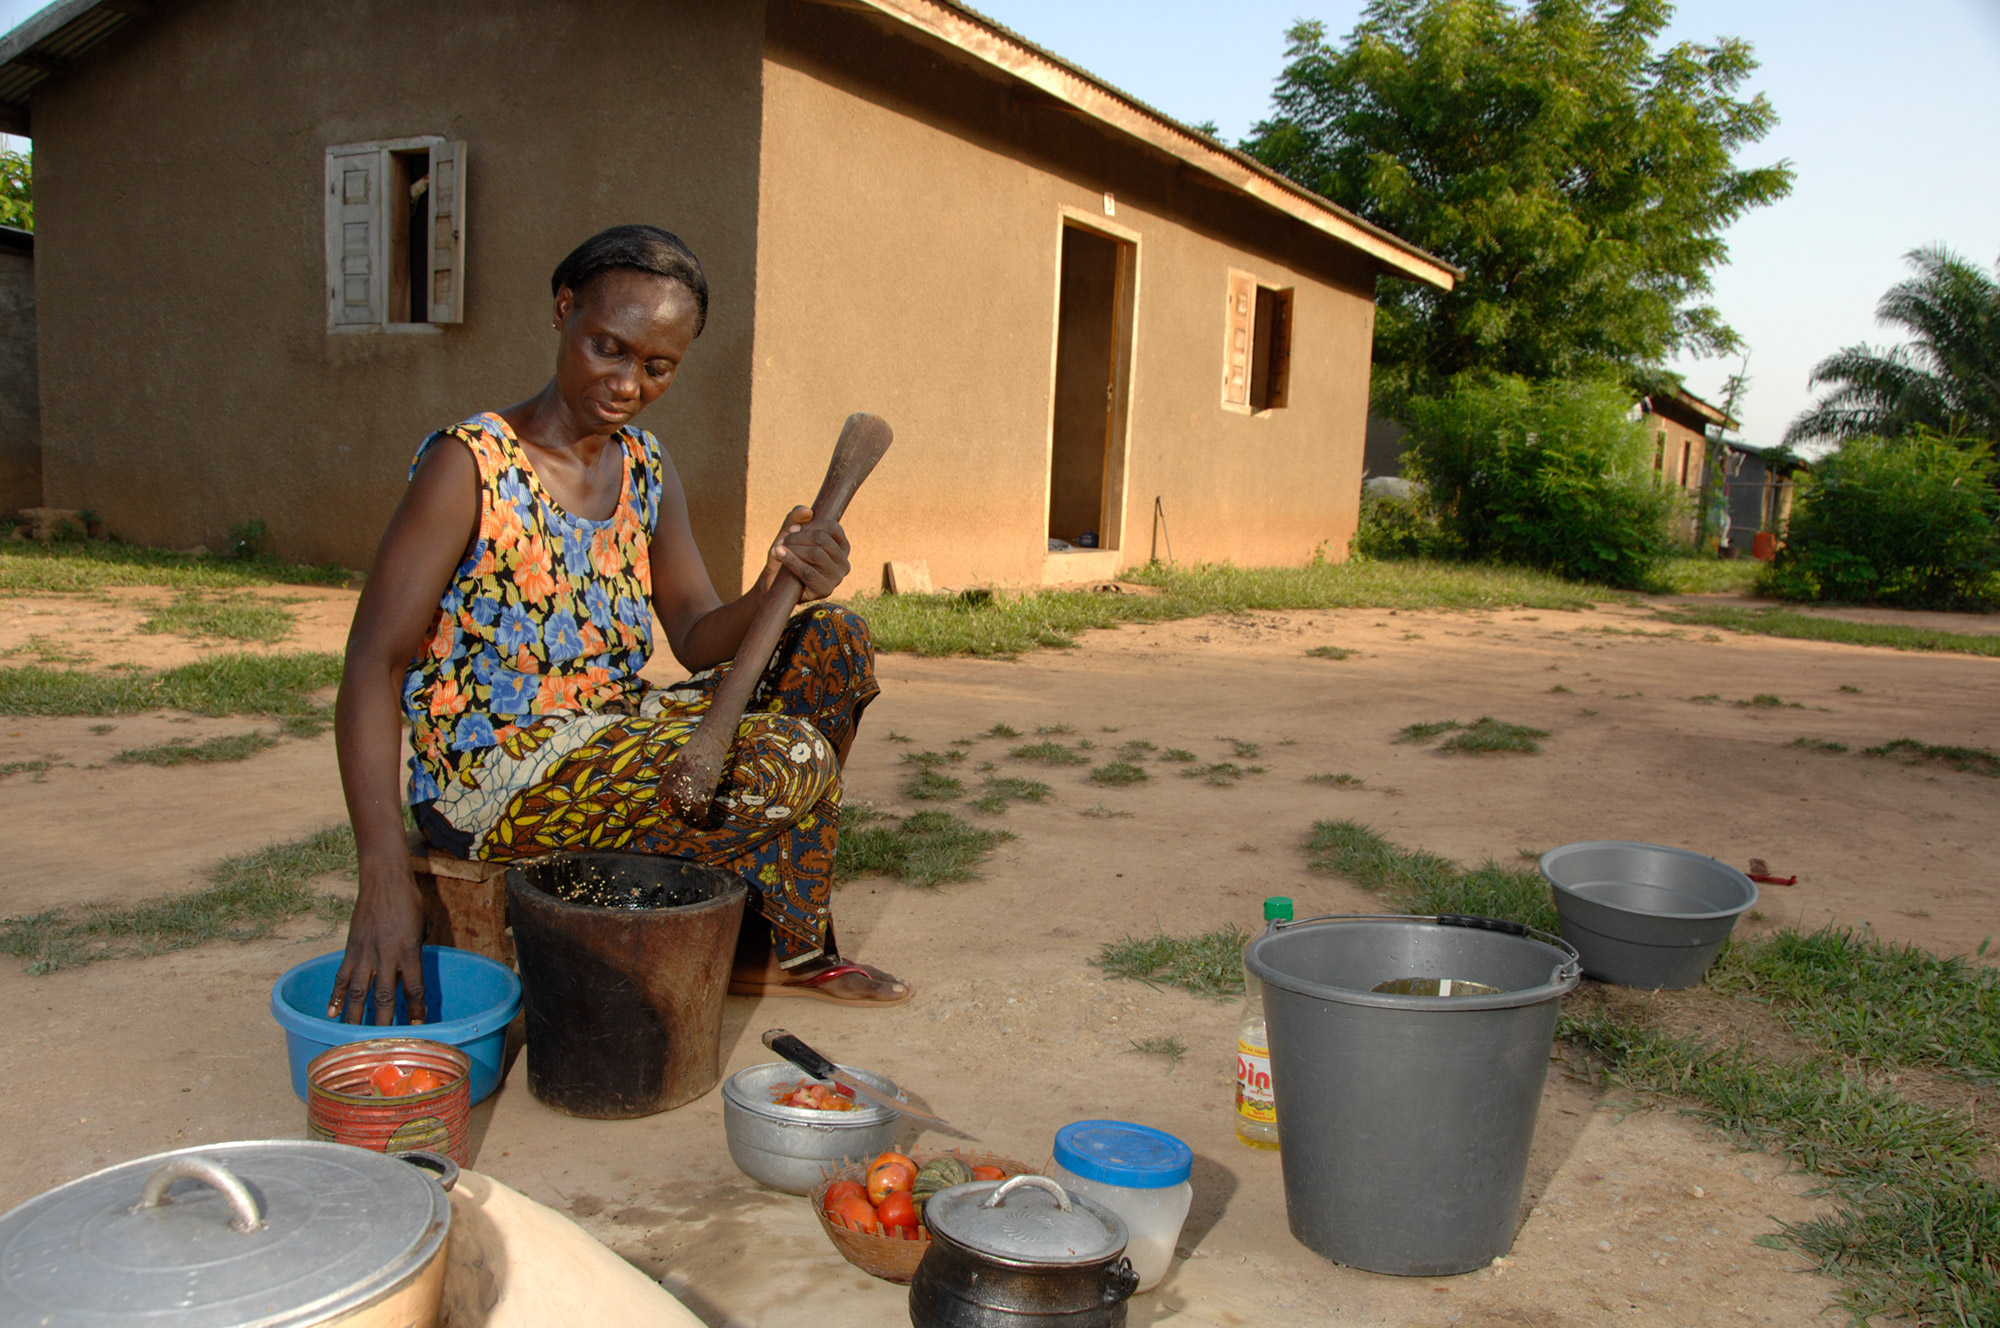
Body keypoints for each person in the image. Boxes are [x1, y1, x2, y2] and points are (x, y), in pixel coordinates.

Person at [329, 224, 909, 1025]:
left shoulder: (644, 466)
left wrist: (782, 581)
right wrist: (383, 869)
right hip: (494, 776)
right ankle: (734, 920)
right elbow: (372, 663)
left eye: (657, 366)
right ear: (565, 310)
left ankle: (767, 943)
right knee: (787, 757)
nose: (629, 383)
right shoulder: (470, 467)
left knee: (833, 644)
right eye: (610, 348)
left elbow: (699, 633)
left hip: (607, 734)